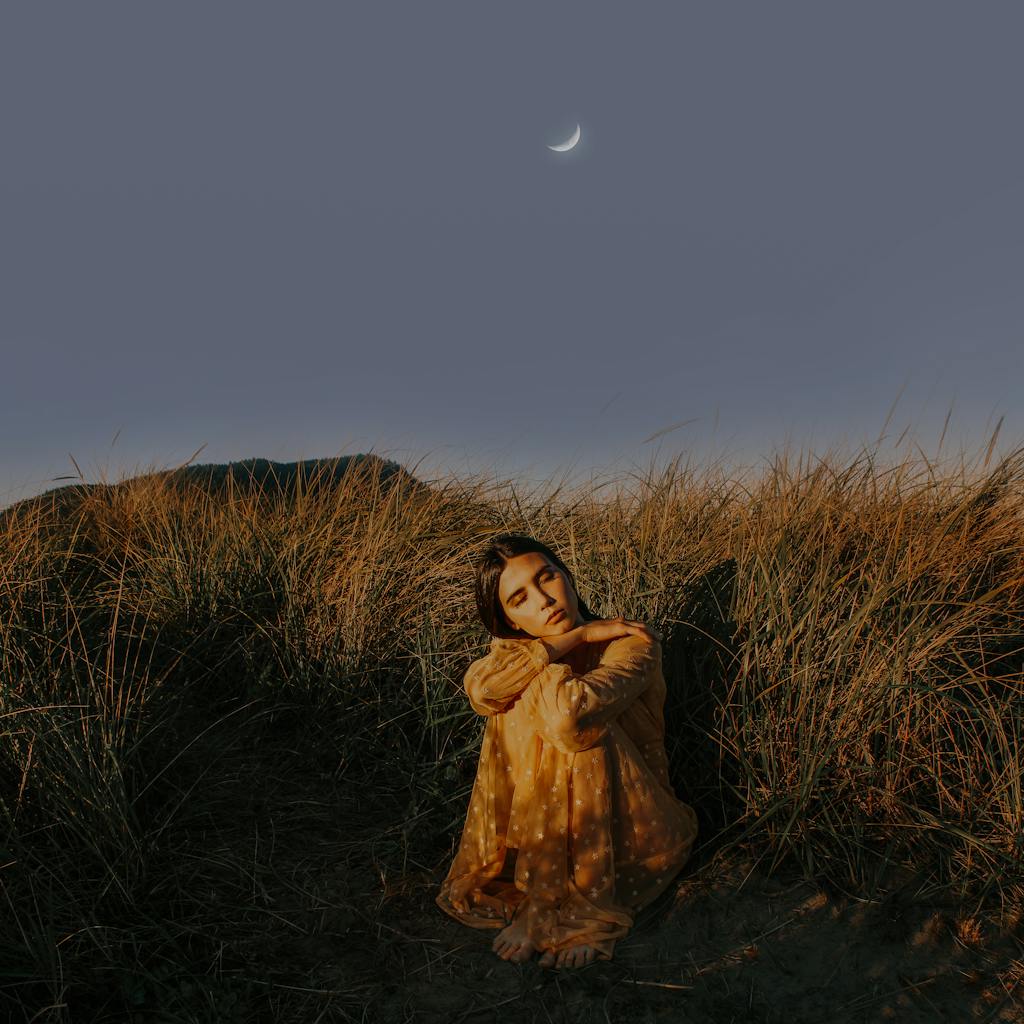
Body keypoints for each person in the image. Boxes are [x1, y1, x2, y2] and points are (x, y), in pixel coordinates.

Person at [435, 533, 698, 969]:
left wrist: (557, 654)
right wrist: (570, 640)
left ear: (568, 577)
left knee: (574, 731)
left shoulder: (631, 642)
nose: (543, 600)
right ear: (511, 620)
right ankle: (545, 890)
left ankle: (561, 904)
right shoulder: (516, 653)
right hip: (541, 830)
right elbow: (481, 691)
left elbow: (568, 719)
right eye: (520, 598)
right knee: (517, 690)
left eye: (547, 578)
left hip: (631, 833)